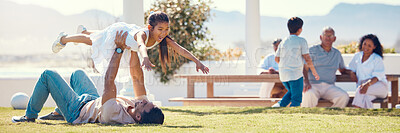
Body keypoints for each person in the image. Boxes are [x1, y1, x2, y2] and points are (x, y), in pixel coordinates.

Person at [44, 11, 209, 120]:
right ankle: (64, 39)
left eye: (166, 29)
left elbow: (180, 49)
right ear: (150, 28)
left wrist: (197, 61)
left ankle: (85, 31)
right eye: (160, 29)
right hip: (121, 34)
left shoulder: (161, 37)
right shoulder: (142, 34)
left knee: (97, 37)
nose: (164, 33)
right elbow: (141, 45)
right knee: (93, 41)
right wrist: (144, 58)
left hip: (126, 40)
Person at [12, 31, 164, 124]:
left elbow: (109, 82)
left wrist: (119, 49)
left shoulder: (114, 115)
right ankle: (59, 113)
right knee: (78, 74)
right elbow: (137, 78)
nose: (143, 100)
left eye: (144, 104)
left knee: (47, 75)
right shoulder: (139, 107)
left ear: (138, 116)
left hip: (76, 111)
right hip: (92, 101)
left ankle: (29, 116)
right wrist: (132, 48)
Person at [272, 17, 319, 107]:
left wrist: (285, 65)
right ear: (300, 29)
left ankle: (276, 108)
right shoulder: (301, 41)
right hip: (295, 75)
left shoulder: (283, 42)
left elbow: (276, 59)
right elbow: (307, 58)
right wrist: (314, 71)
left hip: (284, 76)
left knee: (291, 94)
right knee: (296, 98)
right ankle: (293, 117)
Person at [301, 27, 351, 108]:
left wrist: (350, 72)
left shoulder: (337, 54)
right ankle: (306, 118)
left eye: (330, 36)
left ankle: (331, 117)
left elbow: (342, 69)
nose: (328, 38)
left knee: (343, 96)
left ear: (334, 39)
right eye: (325, 35)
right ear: (321, 37)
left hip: (329, 86)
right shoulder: (312, 50)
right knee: (308, 94)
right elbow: (304, 68)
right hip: (313, 85)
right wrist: (306, 82)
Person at [349, 34, 388, 108]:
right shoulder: (357, 56)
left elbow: (377, 77)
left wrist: (367, 85)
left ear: (374, 47)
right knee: (366, 98)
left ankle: (355, 111)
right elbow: (350, 68)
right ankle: (368, 117)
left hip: (379, 87)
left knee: (360, 91)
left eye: (369, 46)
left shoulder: (377, 59)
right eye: (365, 44)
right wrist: (351, 72)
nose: (366, 47)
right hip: (364, 88)